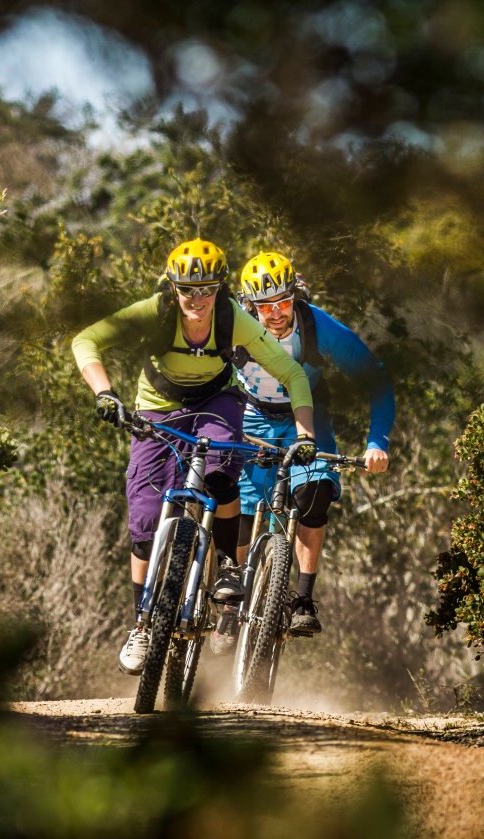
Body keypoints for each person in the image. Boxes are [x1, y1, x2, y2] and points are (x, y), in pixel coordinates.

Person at [71, 238, 318, 676]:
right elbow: (86, 341)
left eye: (207, 290)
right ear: (173, 288)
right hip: (158, 407)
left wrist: (304, 433)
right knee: (145, 522)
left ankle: (225, 565)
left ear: (221, 288)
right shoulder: (155, 312)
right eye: (188, 290)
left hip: (217, 401)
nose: (197, 300)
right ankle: (142, 624)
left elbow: (292, 372)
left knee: (223, 473)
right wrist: (105, 393)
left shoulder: (232, 319)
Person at [230, 251, 393, 639]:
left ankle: (302, 598)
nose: (276, 314)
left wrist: (377, 441)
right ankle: (234, 595)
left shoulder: (317, 327)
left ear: (296, 296)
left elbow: (377, 380)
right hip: (253, 414)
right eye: (264, 307)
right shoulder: (233, 326)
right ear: (249, 306)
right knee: (236, 505)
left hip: (309, 415)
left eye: (283, 302)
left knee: (315, 492)